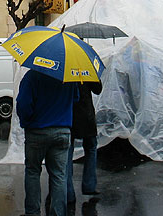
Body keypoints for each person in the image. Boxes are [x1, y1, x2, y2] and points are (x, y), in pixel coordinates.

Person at [17, 69, 79, 216]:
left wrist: (27, 122)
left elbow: (23, 104)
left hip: (37, 130)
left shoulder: (32, 76)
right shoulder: (68, 76)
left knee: (32, 171)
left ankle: (32, 212)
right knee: (59, 175)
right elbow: (75, 98)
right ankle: (58, 213)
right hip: (62, 130)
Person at [66, 81, 102, 204]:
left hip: (68, 115)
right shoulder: (85, 68)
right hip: (87, 116)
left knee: (67, 154)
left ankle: (68, 192)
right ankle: (89, 185)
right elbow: (98, 89)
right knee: (91, 149)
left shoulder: (63, 69)